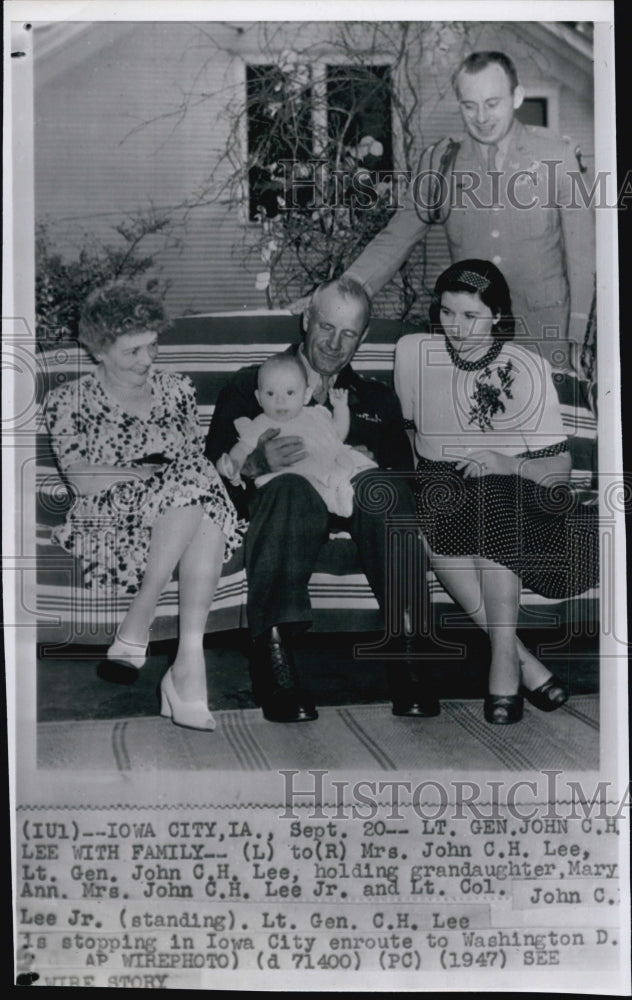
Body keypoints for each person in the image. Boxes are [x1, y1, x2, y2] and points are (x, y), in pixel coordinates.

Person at [206, 276, 439, 723]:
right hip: (288, 505)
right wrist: (254, 464)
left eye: (348, 333)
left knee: (383, 488)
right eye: (326, 327)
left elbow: (404, 483)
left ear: (362, 338)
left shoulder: (376, 399)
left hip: (355, 503)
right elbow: (210, 475)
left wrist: (371, 466)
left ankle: (410, 651)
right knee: (289, 488)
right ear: (306, 321)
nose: (334, 344)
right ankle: (273, 659)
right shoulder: (252, 385)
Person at [394, 259, 598, 725]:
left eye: (471, 316)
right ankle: (519, 659)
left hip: (512, 494)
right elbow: (407, 435)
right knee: (434, 508)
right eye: (447, 312)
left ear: (498, 316)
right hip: (440, 489)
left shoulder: (526, 368)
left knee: (491, 501)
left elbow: (559, 470)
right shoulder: (412, 352)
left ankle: (505, 659)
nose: (456, 327)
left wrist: (508, 463)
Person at [45, 282, 245, 731]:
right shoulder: (67, 400)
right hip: (113, 521)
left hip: (179, 516)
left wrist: (190, 475)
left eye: (152, 346)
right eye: (132, 351)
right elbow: (80, 478)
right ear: (98, 351)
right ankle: (163, 640)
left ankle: (176, 654)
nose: (147, 360)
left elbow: (191, 459)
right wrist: (143, 475)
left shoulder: (177, 389)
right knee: (194, 486)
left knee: (198, 489)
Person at [344, 50, 594, 369]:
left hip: (548, 337)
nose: (481, 117)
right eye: (469, 105)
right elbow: (397, 237)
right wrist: (346, 287)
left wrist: (580, 334)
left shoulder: (556, 156)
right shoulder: (441, 163)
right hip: (473, 341)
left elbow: (583, 256)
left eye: (492, 103)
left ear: (516, 97)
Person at [216, 353, 377, 518]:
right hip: (292, 483)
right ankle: (336, 502)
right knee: (303, 487)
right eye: (270, 393)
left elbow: (338, 435)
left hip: (326, 467)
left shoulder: (316, 415)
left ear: (306, 395)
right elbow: (242, 448)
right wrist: (232, 464)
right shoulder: (261, 424)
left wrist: (341, 408)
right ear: (259, 398)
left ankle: (341, 493)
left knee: (352, 466)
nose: (280, 401)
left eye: (290, 392)